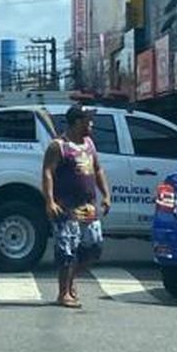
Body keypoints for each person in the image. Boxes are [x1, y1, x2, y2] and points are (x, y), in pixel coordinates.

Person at [41, 104, 111, 309]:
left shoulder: (89, 143)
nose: (92, 124)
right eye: (88, 120)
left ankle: (72, 281)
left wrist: (106, 195)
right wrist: (50, 201)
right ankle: (64, 293)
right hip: (66, 208)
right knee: (67, 252)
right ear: (77, 122)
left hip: (88, 208)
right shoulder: (58, 146)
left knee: (94, 248)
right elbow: (47, 173)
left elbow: (98, 170)